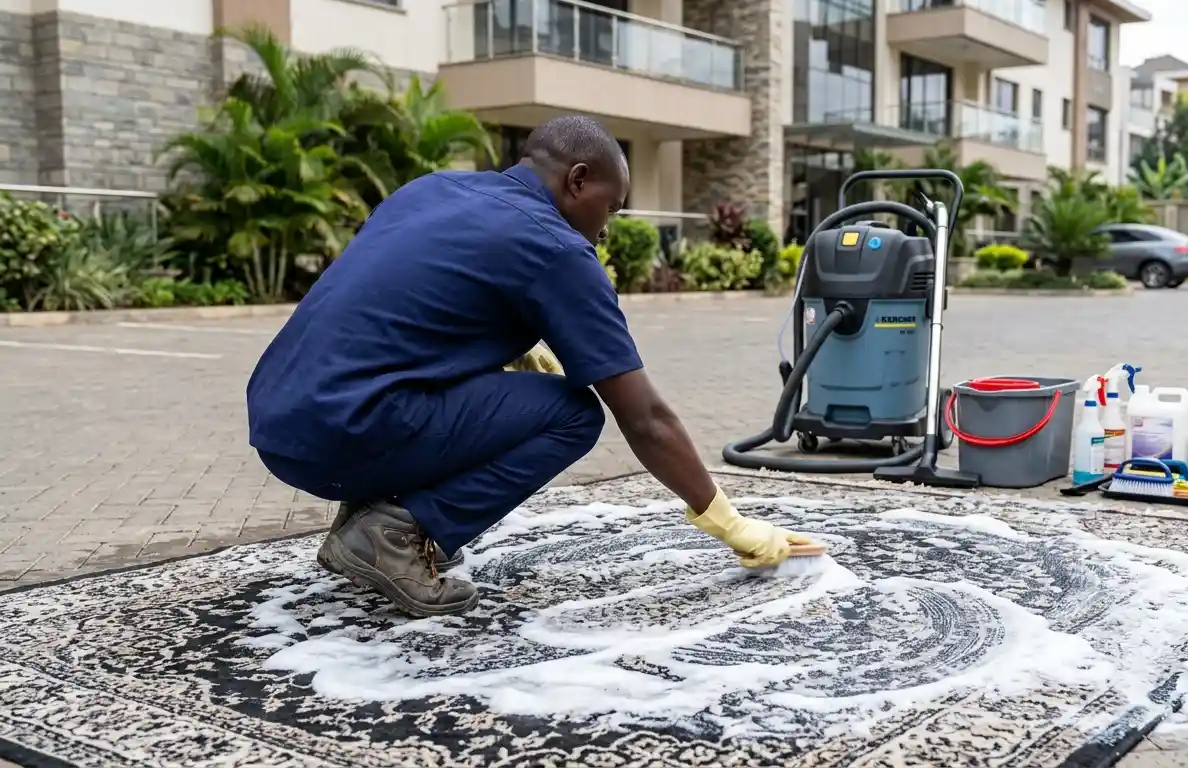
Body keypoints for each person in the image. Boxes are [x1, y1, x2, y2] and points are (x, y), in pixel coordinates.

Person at [246, 115, 810, 619]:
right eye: (610, 208)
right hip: (345, 432)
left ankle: (371, 514)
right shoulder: (554, 246)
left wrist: (505, 352)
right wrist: (729, 523)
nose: (606, 229)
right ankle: (394, 532)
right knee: (572, 413)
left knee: (516, 385)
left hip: (279, 423)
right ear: (578, 180)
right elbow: (644, 418)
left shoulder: (432, 188)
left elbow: (408, 304)